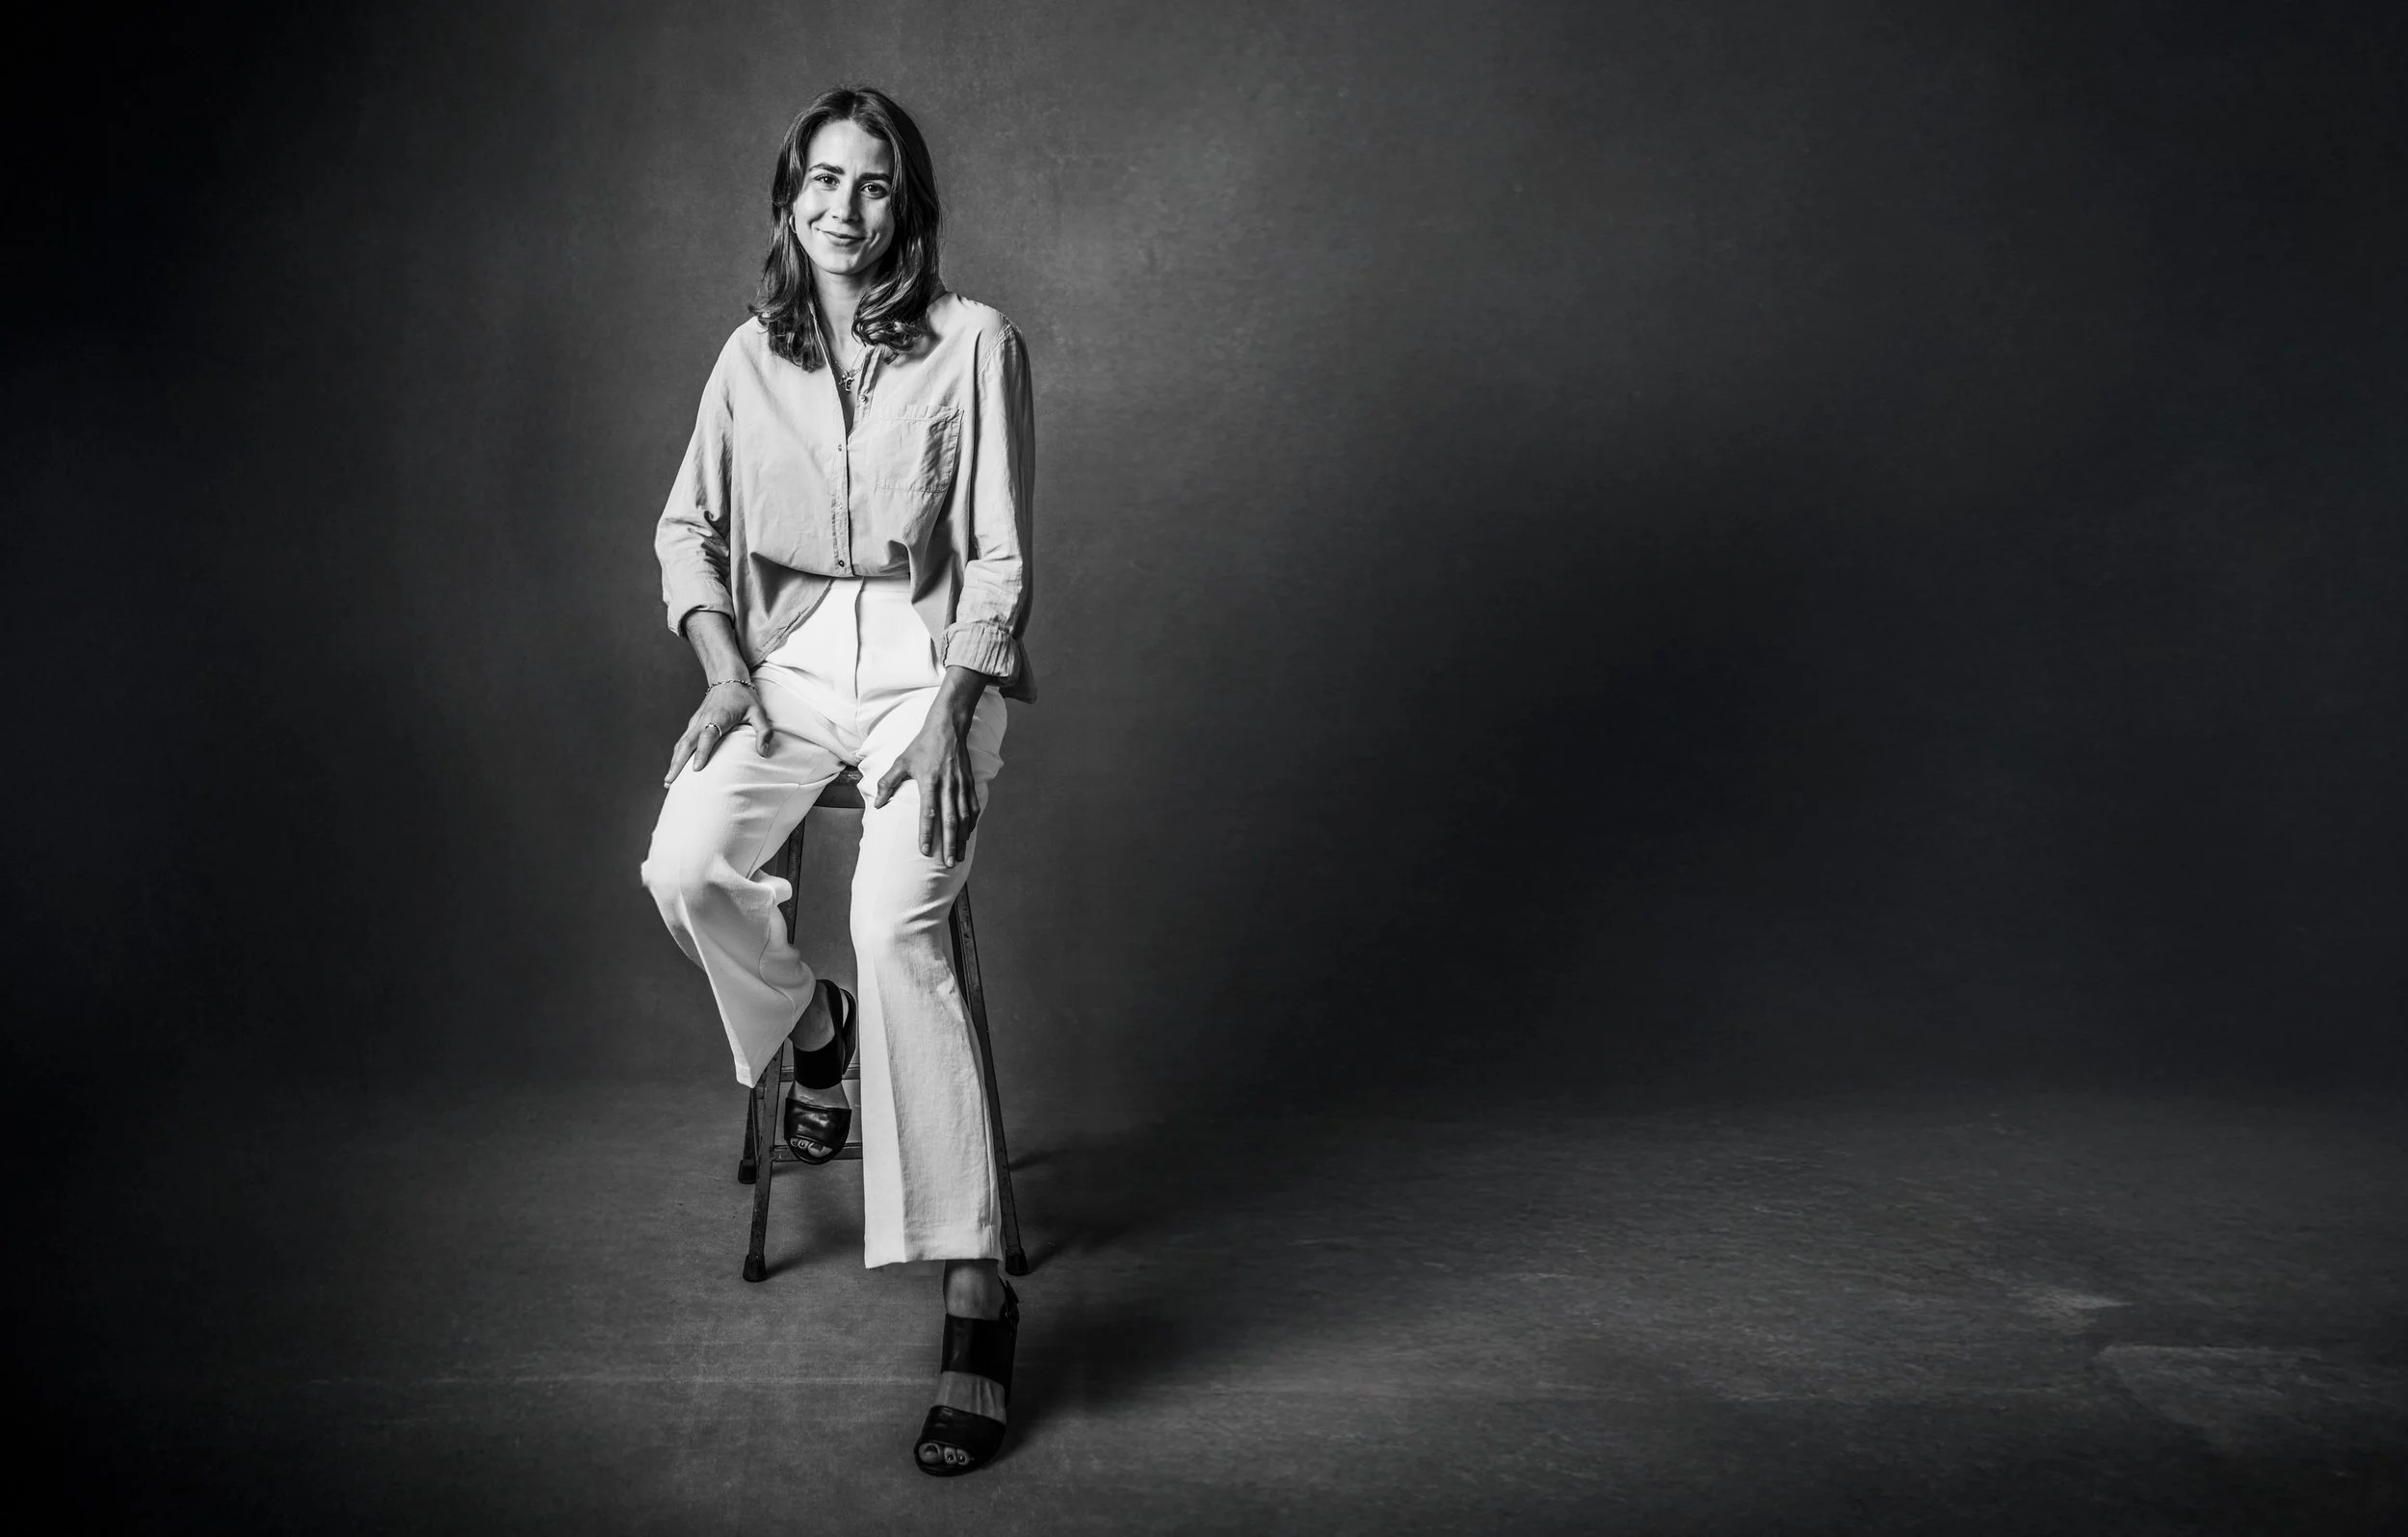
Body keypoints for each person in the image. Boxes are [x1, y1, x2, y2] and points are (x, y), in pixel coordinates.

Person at [639, 85, 1034, 1477]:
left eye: (872, 183)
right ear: (787, 195)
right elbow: (687, 529)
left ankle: (975, 1286)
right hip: (791, 661)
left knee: (890, 916)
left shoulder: (977, 343)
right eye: (821, 179)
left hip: (930, 669)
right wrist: (724, 672)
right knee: (684, 866)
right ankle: (817, 1032)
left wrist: (955, 712)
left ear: (905, 203)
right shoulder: (750, 355)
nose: (844, 208)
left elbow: (999, 557)